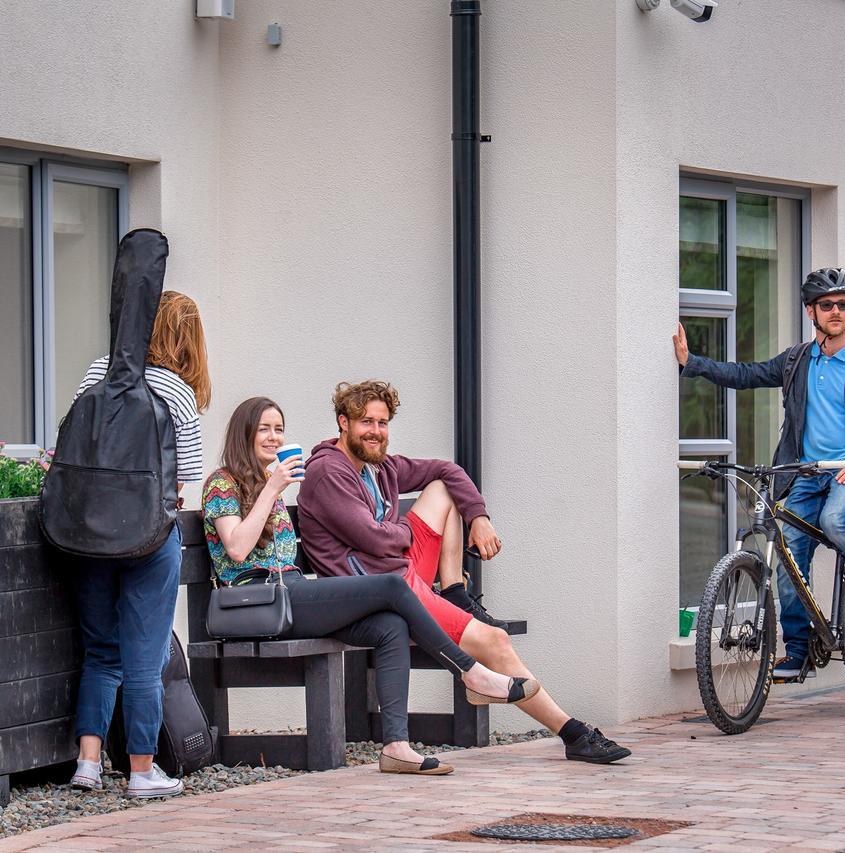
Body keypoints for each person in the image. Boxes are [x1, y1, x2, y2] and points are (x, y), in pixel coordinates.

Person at [296, 381, 632, 765]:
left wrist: (479, 516)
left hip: (397, 571)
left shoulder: (379, 466)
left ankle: (454, 590)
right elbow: (372, 539)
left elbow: (447, 469)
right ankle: (573, 733)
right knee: (495, 641)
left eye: (383, 422)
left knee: (443, 487)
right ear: (343, 422)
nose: (375, 431)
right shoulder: (328, 472)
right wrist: (406, 532)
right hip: (371, 588)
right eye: (365, 422)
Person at [203, 397, 538, 776]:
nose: (274, 437)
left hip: (289, 596)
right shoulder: (222, 483)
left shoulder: (270, 486)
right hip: (254, 603)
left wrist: (271, 488)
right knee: (393, 589)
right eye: (264, 429)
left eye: (279, 429)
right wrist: (272, 489)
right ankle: (469, 671)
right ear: (243, 432)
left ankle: (396, 746)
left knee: (390, 626)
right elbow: (237, 546)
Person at [673, 267, 845, 680]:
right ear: (811, 311)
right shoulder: (797, 361)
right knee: (788, 556)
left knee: (835, 520)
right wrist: (691, 363)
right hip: (806, 474)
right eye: (827, 305)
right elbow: (747, 375)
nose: (836, 311)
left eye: (843, 304)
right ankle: (799, 650)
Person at [69, 290, 210, 798]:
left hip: (86, 535)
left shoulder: (96, 373)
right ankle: (141, 770)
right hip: (149, 536)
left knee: (100, 652)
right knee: (144, 658)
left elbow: (71, 446)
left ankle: (87, 763)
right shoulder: (177, 391)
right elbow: (187, 477)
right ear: (187, 338)